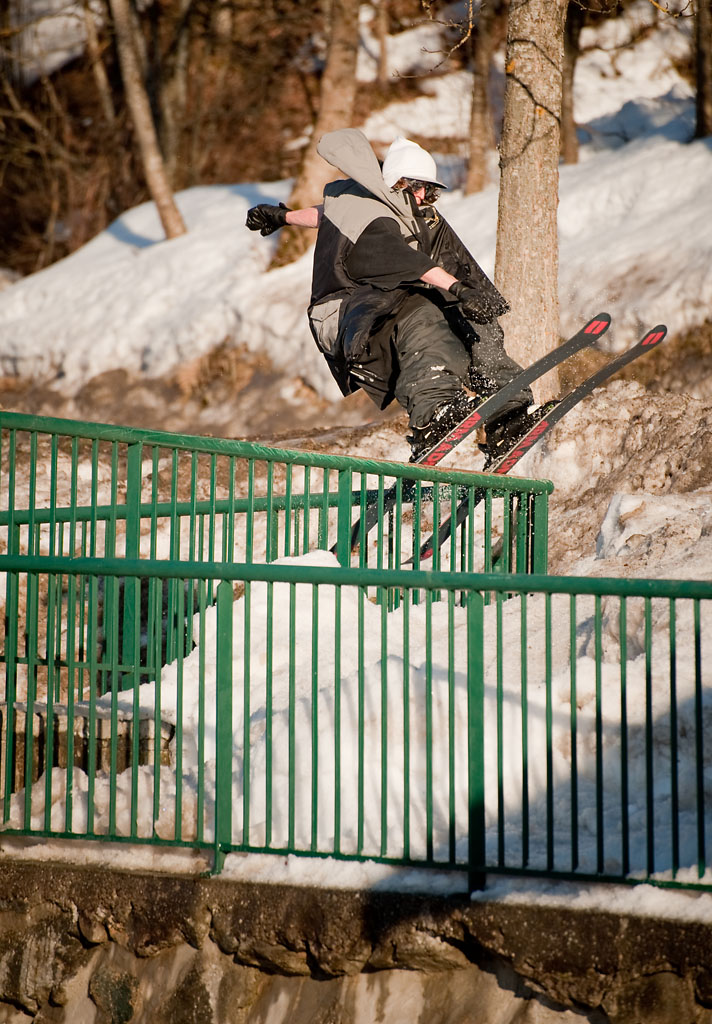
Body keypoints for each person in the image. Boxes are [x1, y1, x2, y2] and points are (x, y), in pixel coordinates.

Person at [246, 128, 534, 462]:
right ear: (400, 183)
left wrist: (282, 216)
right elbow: (403, 260)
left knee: (468, 317)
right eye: (422, 188)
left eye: (431, 192)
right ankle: (434, 411)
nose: (427, 197)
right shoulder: (374, 218)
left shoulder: (402, 212)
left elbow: (327, 212)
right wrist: (455, 287)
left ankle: (505, 411)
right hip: (349, 312)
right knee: (425, 312)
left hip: (384, 304)